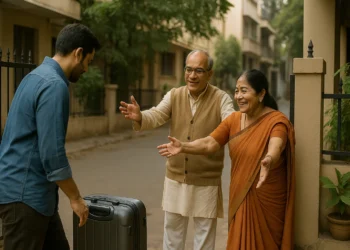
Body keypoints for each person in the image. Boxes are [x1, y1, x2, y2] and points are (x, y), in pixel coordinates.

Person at [158, 69, 296, 250]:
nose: (238, 96)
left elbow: (276, 144)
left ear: (261, 94)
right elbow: (209, 143)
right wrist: (183, 147)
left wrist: (269, 158)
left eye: (244, 91)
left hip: (267, 198)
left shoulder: (276, 121)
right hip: (240, 197)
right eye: (237, 91)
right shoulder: (234, 120)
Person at [119, 50, 235, 249]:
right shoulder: (175, 95)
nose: (192, 75)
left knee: (204, 240)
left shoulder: (221, 99)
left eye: (199, 70)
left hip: (206, 180)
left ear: (210, 74)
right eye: (188, 69)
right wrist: (140, 117)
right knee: (172, 237)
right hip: (175, 178)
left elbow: (230, 123)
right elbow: (157, 114)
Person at [0, 23, 100, 250]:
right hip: (25, 197)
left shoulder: (34, 76)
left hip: (34, 197)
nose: (86, 69)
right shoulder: (55, 86)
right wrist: (76, 198)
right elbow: (52, 155)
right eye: (88, 61)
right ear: (78, 53)